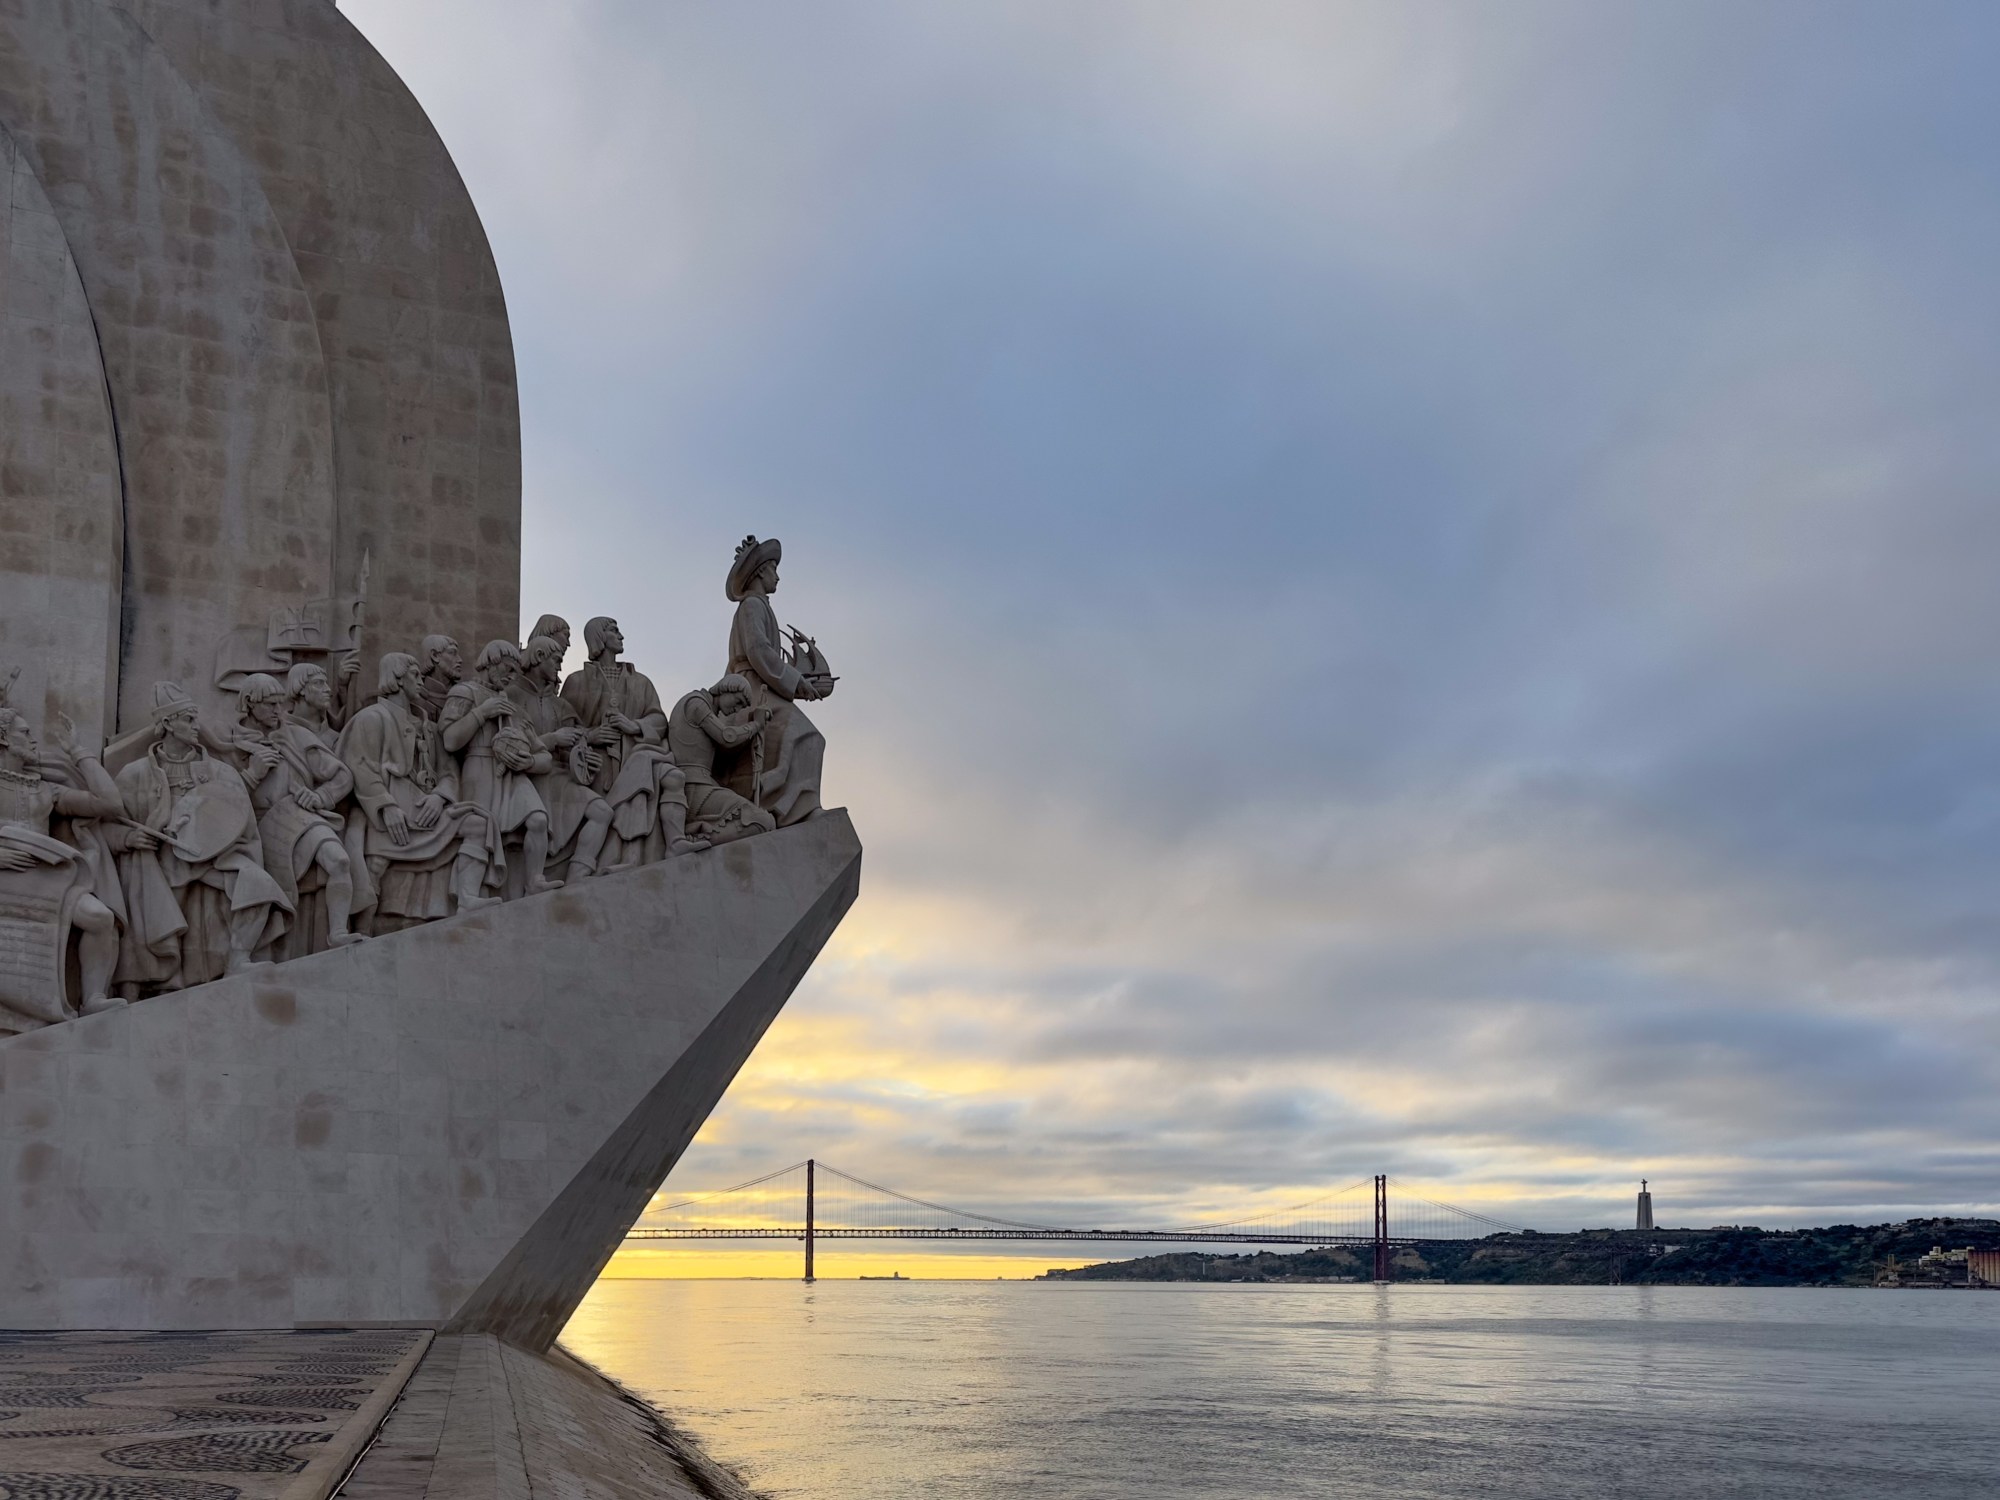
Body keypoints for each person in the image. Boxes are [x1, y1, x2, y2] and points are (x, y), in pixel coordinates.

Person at [111, 682, 290, 992]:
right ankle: (142, 984)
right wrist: (129, 839)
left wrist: (220, 843)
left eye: (196, 718)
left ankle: (238, 958)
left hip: (213, 859)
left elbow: (241, 822)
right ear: (167, 723)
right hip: (160, 862)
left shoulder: (221, 772)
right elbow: (107, 824)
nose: (197, 727)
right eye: (188, 719)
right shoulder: (134, 774)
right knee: (151, 907)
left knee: (259, 884)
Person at [338, 653, 499, 930]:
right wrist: (386, 807)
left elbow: (449, 771)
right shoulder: (371, 718)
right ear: (397, 678)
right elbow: (360, 766)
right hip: (389, 810)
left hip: (426, 808)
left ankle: (467, 898)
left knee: (478, 824)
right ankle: (359, 933)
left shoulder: (431, 728)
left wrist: (440, 797)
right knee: (374, 865)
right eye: (414, 674)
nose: (420, 680)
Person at [0, 692, 126, 1017]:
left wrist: (78, 752)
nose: (32, 739)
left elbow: (109, 804)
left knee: (99, 917)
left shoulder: (44, 789)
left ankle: (93, 998)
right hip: (3, 877)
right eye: (25, 732)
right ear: (3, 738)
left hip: (42, 877)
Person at [233, 673, 365, 957]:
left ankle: (338, 932)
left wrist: (319, 796)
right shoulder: (229, 744)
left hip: (300, 815)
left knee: (339, 860)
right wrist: (251, 775)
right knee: (259, 891)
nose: (278, 711)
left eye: (279, 704)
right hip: (258, 829)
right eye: (269, 704)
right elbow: (221, 801)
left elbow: (342, 776)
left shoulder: (297, 735)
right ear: (249, 705)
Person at [561, 617, 705, 866]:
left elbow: (658, 720)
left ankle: (675, 841)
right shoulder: (577, 681)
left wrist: (634, 726)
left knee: (672, 777)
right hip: (598, 763)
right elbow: (562, 726)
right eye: (614, 631)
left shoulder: (641, 682)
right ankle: (620, 859)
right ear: (599, 637)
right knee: (627, 794)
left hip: (638, 751)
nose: (621, 636)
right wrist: (591, 735)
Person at [440, 641, 561, 898]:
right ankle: (471, 895)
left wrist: (528, 763)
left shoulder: (512, 705)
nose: (511, 676)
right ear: (491, 662)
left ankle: (535, 880)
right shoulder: (464, 693)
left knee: (538, 819)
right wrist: (482, 713)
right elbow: (450, 740)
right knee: (483, 832)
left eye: (515, 672)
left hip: (513, 773)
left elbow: (543, 755)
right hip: (478, 769)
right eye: (507, 669)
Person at [725, 536, 825, 827]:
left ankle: (795, 802)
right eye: (773, 569)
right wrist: (795, 682)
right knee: (808, 735)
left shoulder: (760, 606)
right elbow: (759, 652)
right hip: (752, 688)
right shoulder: (752, 606)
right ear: (759, 572)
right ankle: (795, 806)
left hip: (763, 683)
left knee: (806, 737)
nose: (777, 576)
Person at [510, 634, 613, 881]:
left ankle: (577, 875)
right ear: (538, 657)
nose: (560, 666)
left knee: (602, 812)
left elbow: (576, 740)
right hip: (528, 775)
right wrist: (554, 739)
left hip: (558, 775)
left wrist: (585, 758)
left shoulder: (560, 705)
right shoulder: (511, 695)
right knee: (537, 823)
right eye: (556, 660)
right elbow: (510, 744)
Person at [667, 675, 776, 846]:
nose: (737, 709)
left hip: (702, 786)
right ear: (727, 689)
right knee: (761, 820)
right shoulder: (696, 703)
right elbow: (727, 737)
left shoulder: (707, 709)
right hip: (693, 789)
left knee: (765, 821)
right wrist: (756, 725)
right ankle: (698, 841)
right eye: (738, 701)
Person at [286, 661, 343, 751]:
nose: (328, 689)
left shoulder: (336, 738)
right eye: (318, 683)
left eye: (325, 683)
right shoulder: (281, 732)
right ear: (301, 688)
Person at [412, 634, 463, 723]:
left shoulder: (464, 695)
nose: (460, 660)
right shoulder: (415, 698)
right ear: (435, 655)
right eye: (452, 653)